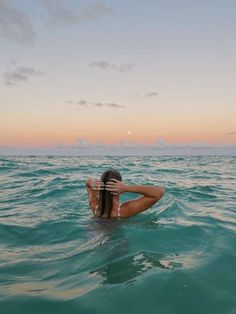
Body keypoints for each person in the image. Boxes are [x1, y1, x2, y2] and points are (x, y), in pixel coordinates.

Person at [86, 169, 165, 218]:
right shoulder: (124, 211)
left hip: (94, 232)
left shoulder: (95, 207)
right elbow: (159, 192)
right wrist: (127, 188)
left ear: (102, 185)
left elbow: (88, 184)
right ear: (120, 184)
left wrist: (92, 182)